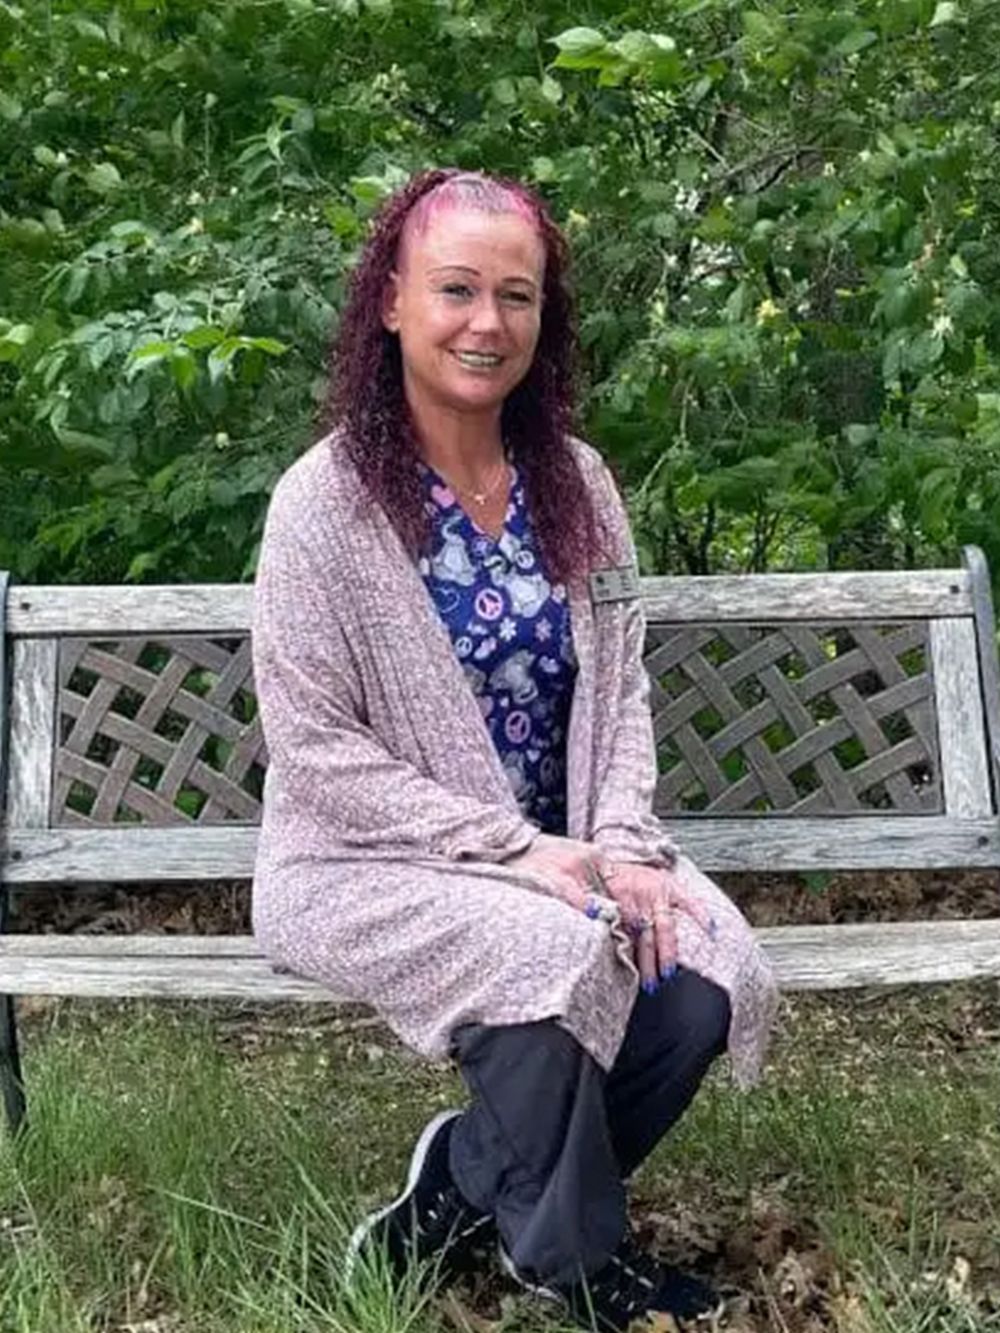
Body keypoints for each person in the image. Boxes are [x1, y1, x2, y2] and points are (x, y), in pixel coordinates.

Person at [252, 168, 778, 1332]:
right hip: (365, 861)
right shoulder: (322, 507)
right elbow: (313, 748)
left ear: (545, 317)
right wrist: (510, 849)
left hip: (570, 850)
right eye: (455, 290)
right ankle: (579, 1268)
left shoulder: (576, 484)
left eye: (516, 296)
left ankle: (462, 1186)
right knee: (547, 968)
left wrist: (625, 848)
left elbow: (622, 688)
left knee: (691, 977)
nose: (486, 323)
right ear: (390, 302)